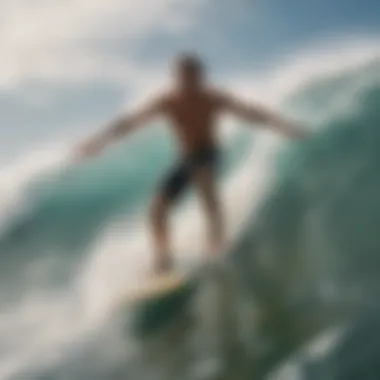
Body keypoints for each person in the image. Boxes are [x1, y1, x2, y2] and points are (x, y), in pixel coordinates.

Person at [78, 53, 307, 273]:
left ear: (201, 76)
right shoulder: (167, 101)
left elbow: (251, 113)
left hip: (209, 152)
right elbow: (130, 122)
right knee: (156, 210)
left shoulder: (213, 98)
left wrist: (285, 126)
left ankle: (216, 242)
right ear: (176, 77)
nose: (188, 81)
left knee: (203, 178)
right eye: (183, 76)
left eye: (193, 76)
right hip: (185, 158)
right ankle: (164, 258)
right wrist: (97, 142)